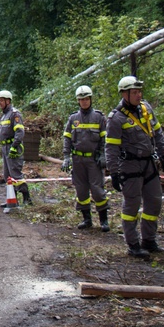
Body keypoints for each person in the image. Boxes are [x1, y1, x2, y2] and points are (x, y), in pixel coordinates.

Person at [104, 76, 164, 259]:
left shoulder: (146, 108)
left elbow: (157, 133)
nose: (138, 95)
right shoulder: (116, 118)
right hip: (130, 166)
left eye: (139, 91)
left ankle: (148, 240)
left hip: (149, 164)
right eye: (134, 92)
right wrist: (114, 172)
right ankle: (133, 244)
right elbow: (111, 147)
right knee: (132, 205)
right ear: (124, 94)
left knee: (154, 201)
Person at [62, 85, 109, 231]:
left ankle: (103, 221)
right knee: (81, 191)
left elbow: (105, 138)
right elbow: (67, 138)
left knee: (97, 190)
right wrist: (66, 157)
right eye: (82, 99)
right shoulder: (73, 118)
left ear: (91, 99)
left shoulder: (99, 117)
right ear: (78, 101)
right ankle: (87, 219)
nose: (84, 102)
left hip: (93, 160)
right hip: (78, 161)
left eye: (87, 99)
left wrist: (103, 155)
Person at [0, 90, 29, 209]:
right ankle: (12, 200)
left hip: (12, 147)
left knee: (16, 174)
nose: (0, 103)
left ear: (8, 101)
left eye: (2, 101)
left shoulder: (14, 114)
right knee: (7, 175)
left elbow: (19, 131)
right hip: (5, 147)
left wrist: (15, 147)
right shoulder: (4, 115)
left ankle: (27, 198)